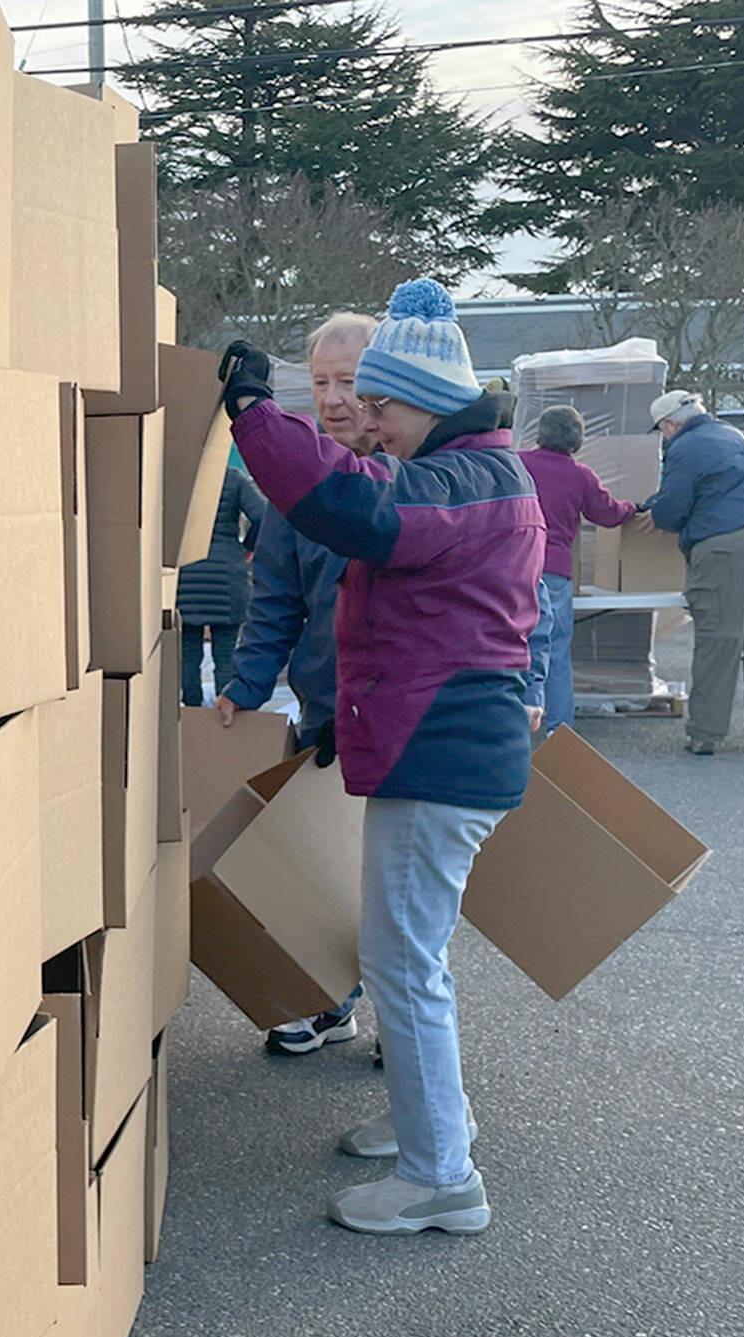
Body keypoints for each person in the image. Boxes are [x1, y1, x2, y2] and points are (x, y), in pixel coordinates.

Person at [221, 277, 548, 1237]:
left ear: (432, 401)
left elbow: (356, 510)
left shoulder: (468, 483)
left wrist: (252, 412)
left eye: (382, 402)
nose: (370, 419)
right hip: (440, 749)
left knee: (401, 962)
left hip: (441, 760)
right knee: (407, 955)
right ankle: (429, 1125)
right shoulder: (481, 474)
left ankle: (442, 1175)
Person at [215, 311, 379, 1057]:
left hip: (399, 720)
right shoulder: (291, 487)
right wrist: (244, 687)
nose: (334, 397)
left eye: (348, 381)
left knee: (400, 882)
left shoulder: (403, 470)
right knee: (330, 868)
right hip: (324, 716)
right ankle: (331, 998)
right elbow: (276, 599)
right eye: (320, 382)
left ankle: (408, 1022)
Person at [640, 390, 744, 756]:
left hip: (725, 548)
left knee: (719, 640)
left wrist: (655, 513)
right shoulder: (731, 434)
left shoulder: (686, 446)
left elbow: (673, 508)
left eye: (661, 432)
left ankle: (706, 734)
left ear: (670, 424)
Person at [518, 405, 641, 733]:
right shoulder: (580, 475)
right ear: (577, 440)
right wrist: (633, 509)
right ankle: (559, 730)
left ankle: (510, 721)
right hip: (555, 570)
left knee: (509, 645)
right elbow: (608, 514)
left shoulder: (517, 463)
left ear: (540, 434)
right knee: (555, 653)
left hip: (514, 566)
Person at [177, 463, 266, 707]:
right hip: (228, 576)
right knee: (226, 656)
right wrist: (248, 547)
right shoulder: (233, 478)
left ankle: (190, 718)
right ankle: (223, 720)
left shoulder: (175, 477)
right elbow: (262, 515)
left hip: (186, 574)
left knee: (188, 654)